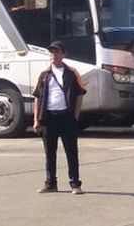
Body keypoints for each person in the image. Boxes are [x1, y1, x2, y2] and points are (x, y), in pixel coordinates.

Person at [33, 40, 87, 195]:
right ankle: (50, 183)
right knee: (50, 153)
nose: (53, 55)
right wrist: (37, 120)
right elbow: (37, 97)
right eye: (51, 52)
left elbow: (80, 94)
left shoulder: (71, 73)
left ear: (64, 54)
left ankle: (75, 184)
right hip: (49, 117)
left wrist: (75, 116)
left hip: (66, 117)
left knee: (71, 152)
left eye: (57, 52)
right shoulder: (44, 75)